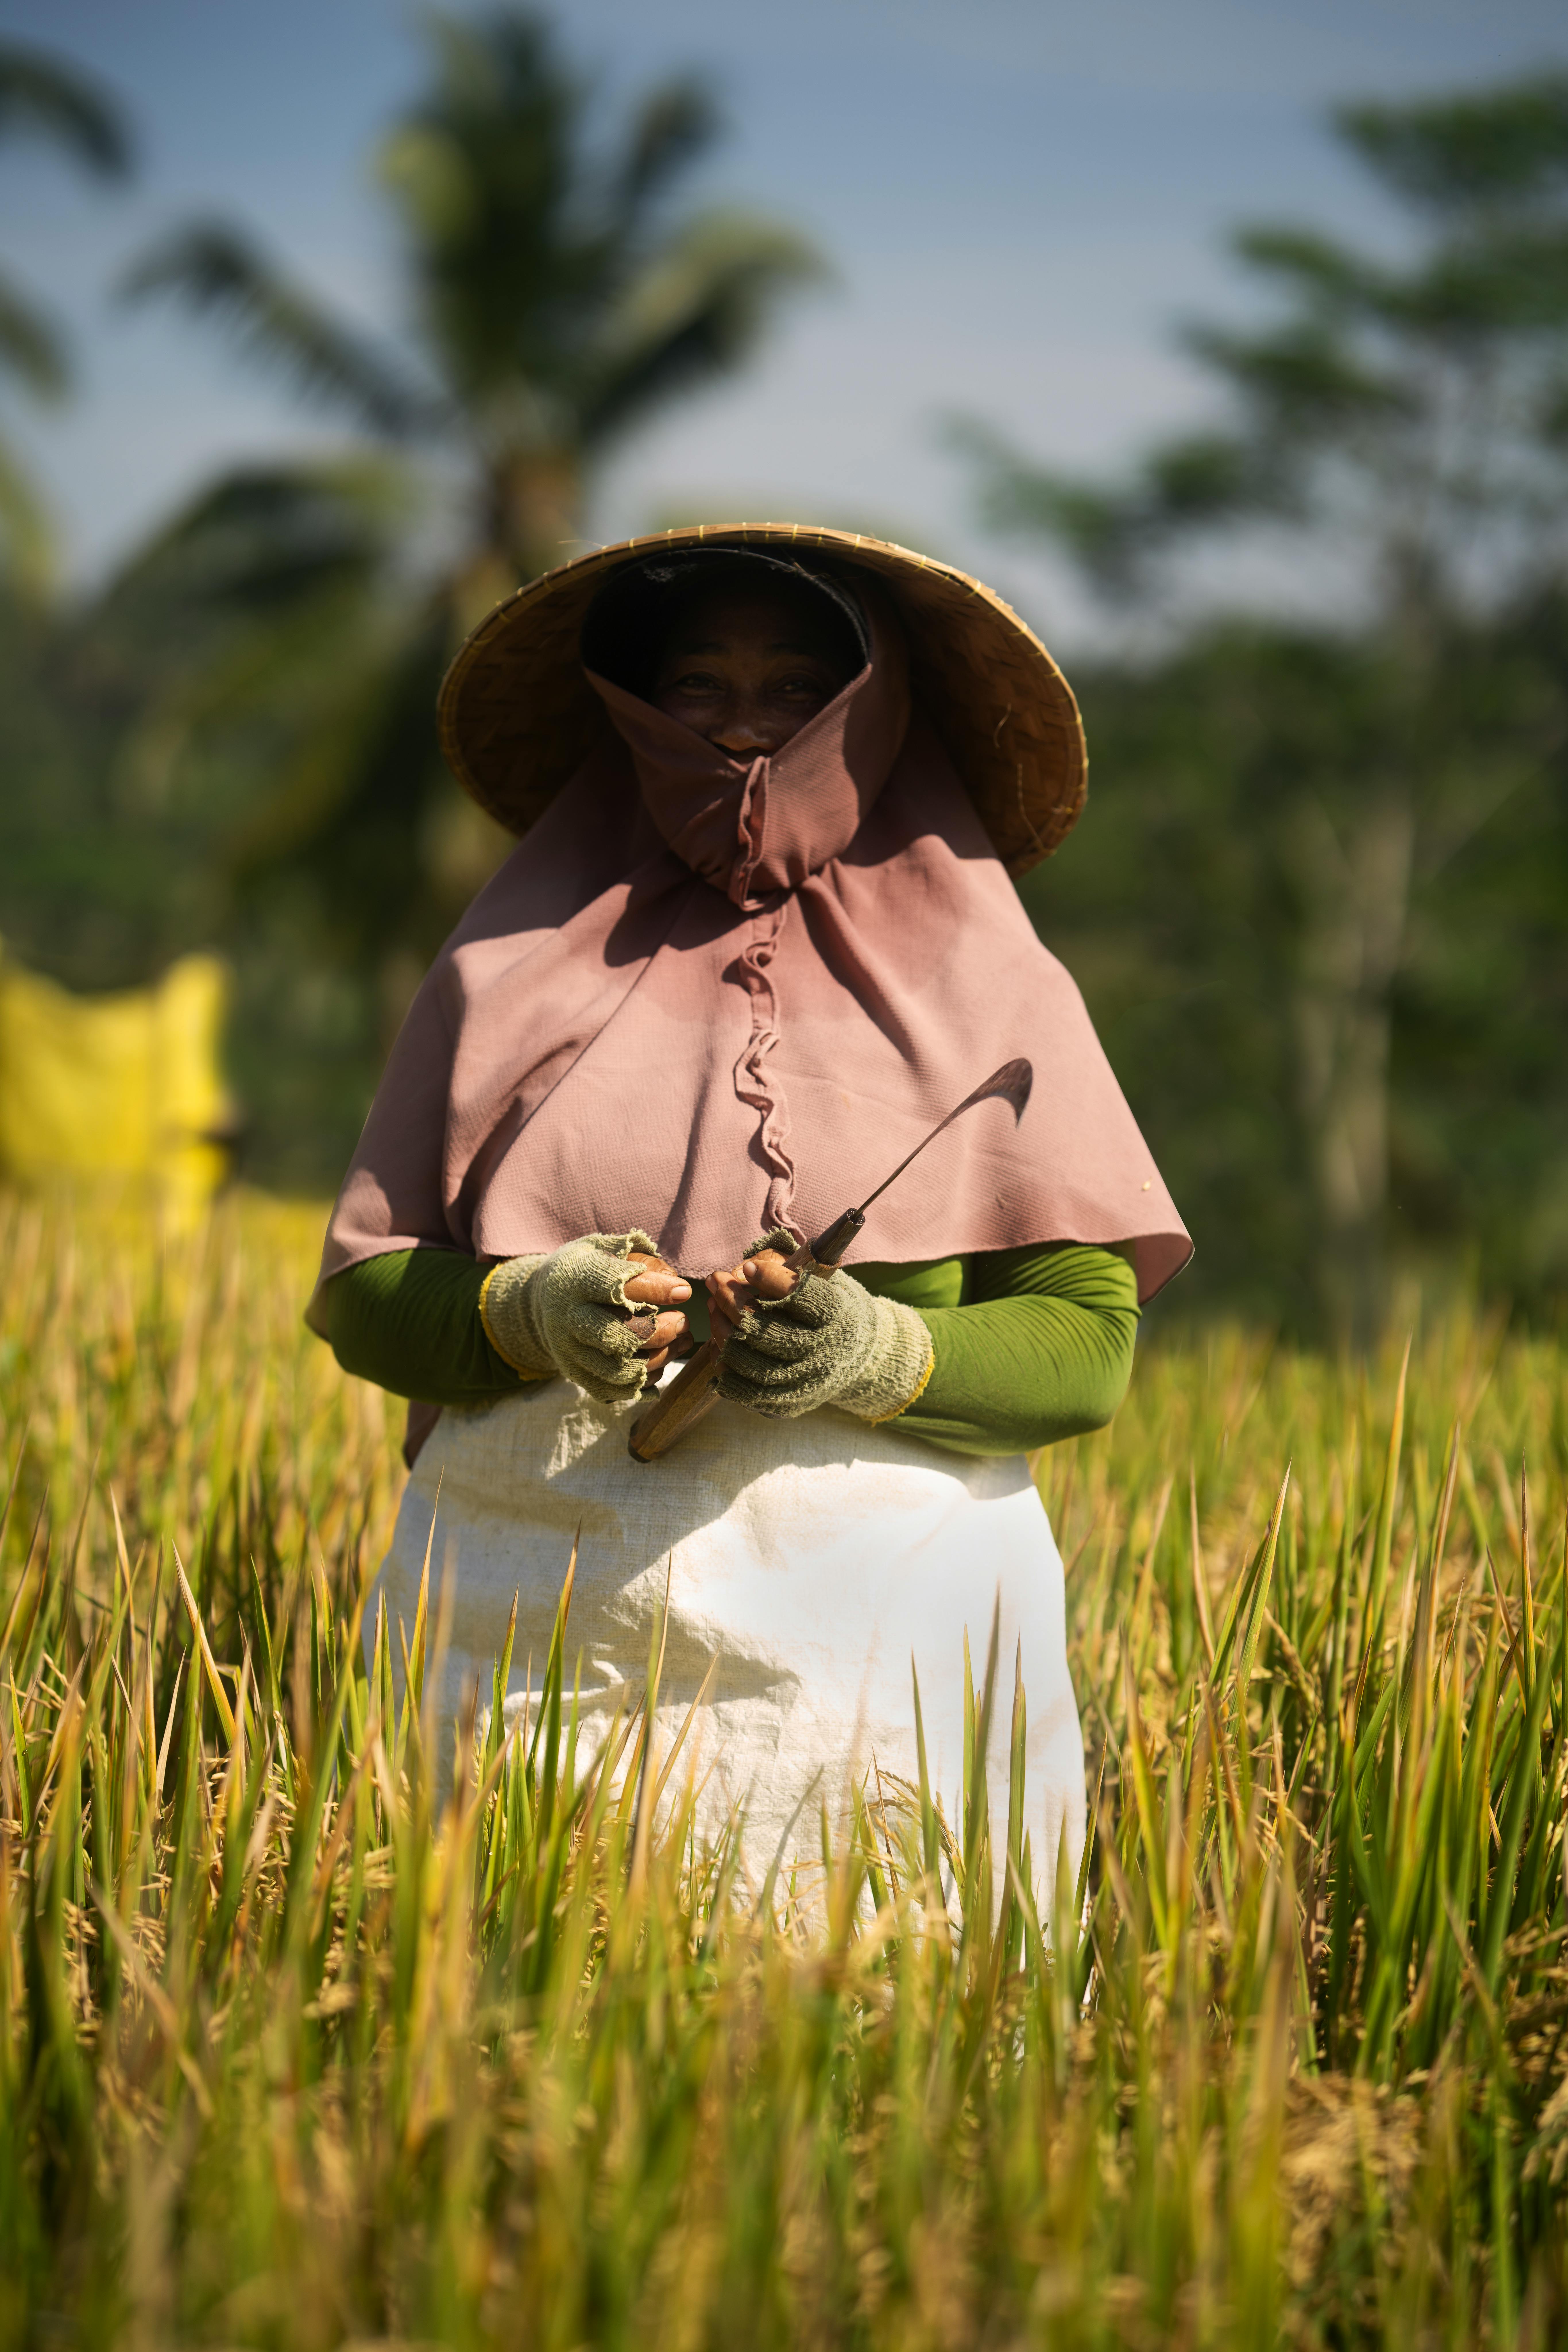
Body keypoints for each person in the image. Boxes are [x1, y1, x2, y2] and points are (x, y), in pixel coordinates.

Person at [308, 525, 1189, 1906]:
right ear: (635, 706)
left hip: (884, 1650)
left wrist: (882, 1352)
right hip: (535, 1627)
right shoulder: (500, 966)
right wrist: (522, 1309)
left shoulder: (1003, 988)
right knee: (515, 2027)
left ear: (873, 707)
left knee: (895, 2043)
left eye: (792, 690)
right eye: (699, 687)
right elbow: (367, 1290)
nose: (741, 732)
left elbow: (1089, 1345)